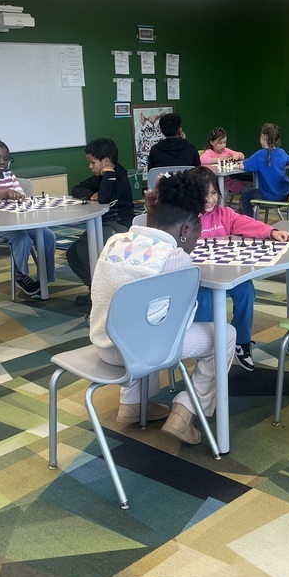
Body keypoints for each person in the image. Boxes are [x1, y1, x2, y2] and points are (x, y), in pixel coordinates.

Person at [89, 171, 235, 442]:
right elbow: (180, 323)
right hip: (138, 353)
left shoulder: (115, 241)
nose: (195, 244)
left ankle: (133, 403)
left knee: (141, 321)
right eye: (196, 236)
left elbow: (152, 239)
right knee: (225, 335)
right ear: (186, 230)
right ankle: (186, 412)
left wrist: (151, 213)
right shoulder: (176, 259)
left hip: (104, 345)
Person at [191, 166, 289, 371]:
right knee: (205, 299)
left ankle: (242, 341)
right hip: (201, 281)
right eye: (204, 194)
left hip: (227, 274)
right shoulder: (186, 218)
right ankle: (208, 348)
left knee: (246, 289)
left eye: (214, 193)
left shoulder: (224, 214)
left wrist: (271, 231)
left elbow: (246, 223)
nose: (210, 199)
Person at [0, 140, 56, 296]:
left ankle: (44, 276)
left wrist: (16, 194)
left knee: (48, 236)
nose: (2, 162)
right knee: (22, 239)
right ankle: (20, 275)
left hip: (20, 220)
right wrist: (4, 192)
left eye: (6, 159)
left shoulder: (10, 175)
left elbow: (21, 194)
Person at [66, 137, 134, 308]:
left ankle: (106, 293)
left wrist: (109, 175)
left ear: (106, 162)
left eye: (93, 162)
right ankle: (95, 289)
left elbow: (104, 198)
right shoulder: (99, 176)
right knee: (73, 253)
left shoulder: (120, 177)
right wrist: (90, 194)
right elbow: (76, 189)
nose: (90, 166)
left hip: (121, 225)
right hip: (102, 224)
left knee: (85, 249)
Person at [240, 122, 289, 217]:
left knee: (245, 196)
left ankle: (249, 221)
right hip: (286, 193)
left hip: (269, 195)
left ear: (263, 137)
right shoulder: (281, 152)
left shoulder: (259, 155)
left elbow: (242, 166)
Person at [199, 126, 250, 197]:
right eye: (220, 143)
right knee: (224, 191)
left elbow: (242, 155)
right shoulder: (210, 152)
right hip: (214, 182)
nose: (223, 146)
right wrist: (219, 159)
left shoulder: (226, 151)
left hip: (227, 181)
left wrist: (237, 156)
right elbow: (202, 159)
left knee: (246, 188)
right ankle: (221, 204)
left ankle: (244, 204)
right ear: (212, 142)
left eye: (225, 143)